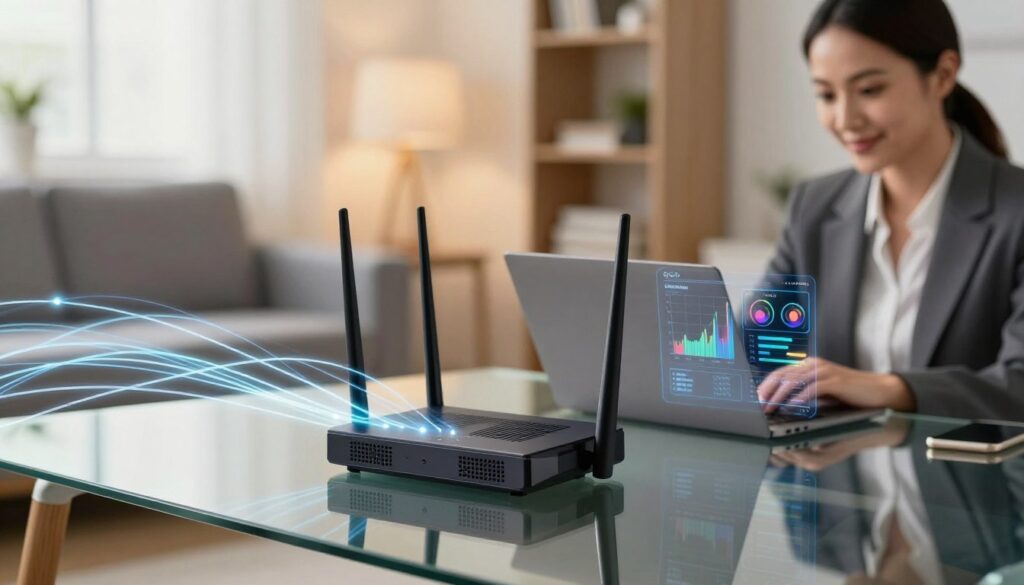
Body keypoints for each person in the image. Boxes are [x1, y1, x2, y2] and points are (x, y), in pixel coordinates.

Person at [756, 0, 1024, 420]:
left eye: (869, 90)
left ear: (943, 75)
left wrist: (884, 388)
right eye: (826, 94)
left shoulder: (1015, 212)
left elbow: (1018, 383)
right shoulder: (815, 208)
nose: (845, 118)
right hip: (831, 462)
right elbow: (756, 352)